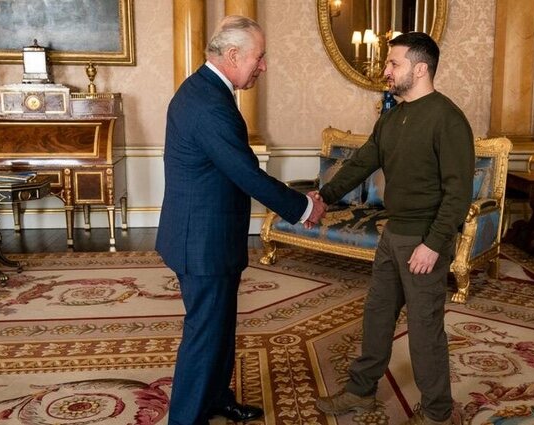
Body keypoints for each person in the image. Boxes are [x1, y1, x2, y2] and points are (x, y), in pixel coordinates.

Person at [156, 15, 326, 425]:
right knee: (204, 335)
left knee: (220, 329)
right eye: (260, 57)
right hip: (203, 243)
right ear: (233, 55)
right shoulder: (209, 104)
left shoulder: (206, 88)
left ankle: (216, 398)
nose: (263, 66)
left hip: (210, 235)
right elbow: (247, 173)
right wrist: (304, 207)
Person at [314, 32, 474, 425]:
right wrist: (321, 198)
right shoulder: (392, 116)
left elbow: (458, 192)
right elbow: (360, 163)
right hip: (393, 235)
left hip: (424, 240)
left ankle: (437, 414)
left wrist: (435, 244)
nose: (385, 70)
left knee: (424, 330)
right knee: (377, 315)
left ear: (420, 69)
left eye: (393, 63)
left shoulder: (448, 118)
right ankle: (360, 393)